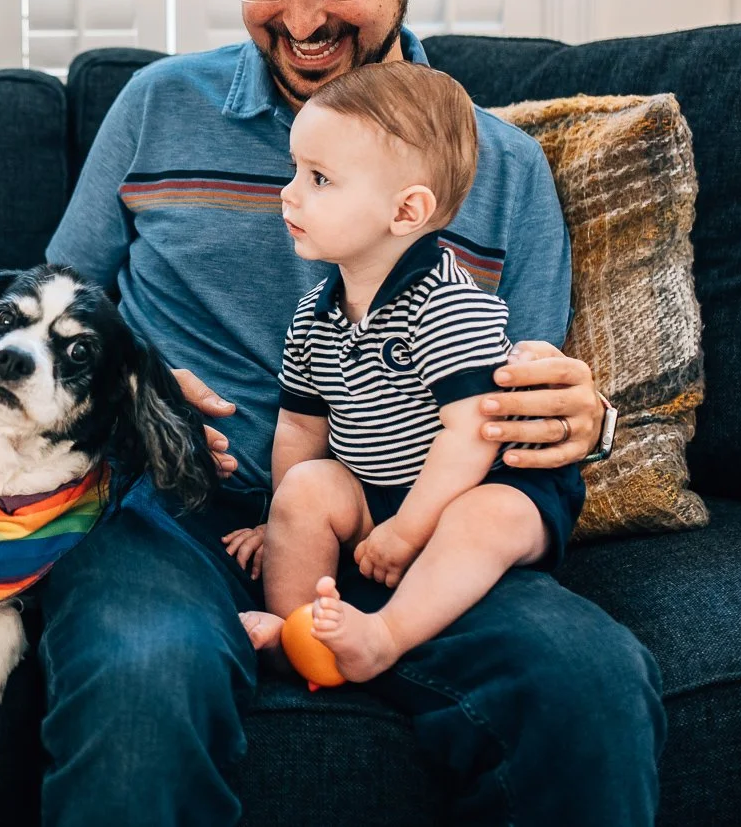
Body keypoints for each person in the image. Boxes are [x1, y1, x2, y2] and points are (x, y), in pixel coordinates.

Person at [42, 0, 662, 826]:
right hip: (174, 515)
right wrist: (124, 381)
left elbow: (514, 413)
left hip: (403, 529)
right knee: (141, 679)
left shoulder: (499, 170)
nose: (299, 19)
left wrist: (582, 422)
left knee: (588, 681)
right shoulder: (155, 110)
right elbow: (49, 310)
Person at [222, 61, 586, 683]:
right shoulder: (315, 316)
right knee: (308, 485)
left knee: (486, 519)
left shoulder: (449, 304)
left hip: (477, 487)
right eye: (294, 171)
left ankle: (385, 636)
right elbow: (300, 430)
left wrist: (411, 530)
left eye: (319, 178)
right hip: (377, 491)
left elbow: (474, 433)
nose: (289, 193)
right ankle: (300, 633)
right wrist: (274, 518)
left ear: (406, 211)